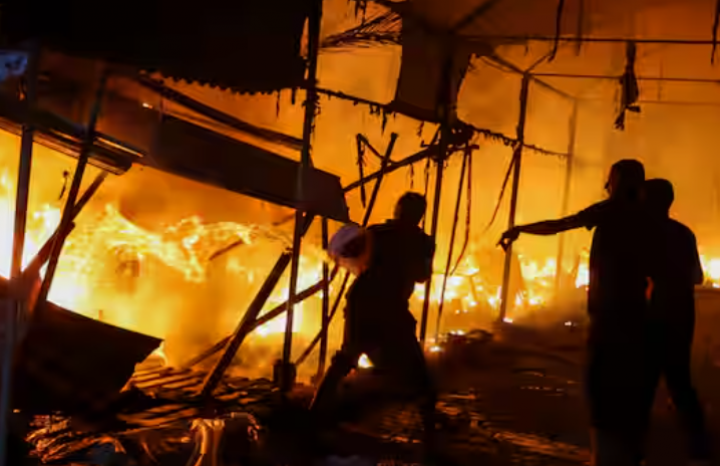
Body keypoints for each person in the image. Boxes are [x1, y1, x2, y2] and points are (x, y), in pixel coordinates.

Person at [499, 159, 649, 466]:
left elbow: (560, 225)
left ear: (616, 183)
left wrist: (520, 229)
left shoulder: (609, 210)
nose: (608, 185)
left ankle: (603, 455)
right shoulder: (649, 218)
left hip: (608, 312)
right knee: (631, 383)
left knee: (599, 381)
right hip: (636, 311)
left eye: (611, 179)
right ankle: (630, 453)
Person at [310, 192, 439, 457]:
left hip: (365, 302)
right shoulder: (421, 242)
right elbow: (422, 276)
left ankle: (314, 415)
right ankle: (431, 439)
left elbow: (352, 257)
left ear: (398, 209)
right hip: (387, 308)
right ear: (419, 215)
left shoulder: (376, 232)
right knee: (418, 375)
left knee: (345, 359)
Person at [642, 178, 710, 464]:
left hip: (657, 311)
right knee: (679, 380)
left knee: (644, 379)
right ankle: (700, 447)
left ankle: (634, 448)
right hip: (682, 313)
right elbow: (698, 277)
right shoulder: (684, 233)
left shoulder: (645, 233)